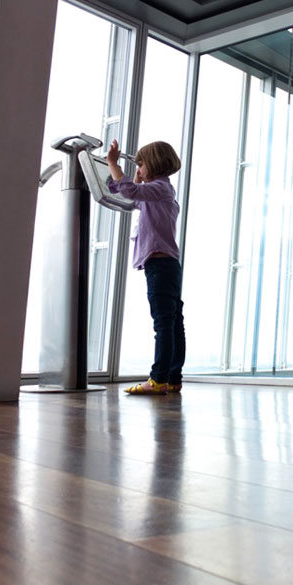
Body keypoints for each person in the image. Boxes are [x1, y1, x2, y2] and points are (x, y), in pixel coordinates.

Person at [106, 138, 185, 394]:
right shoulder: (161, 192)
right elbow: (125, 193)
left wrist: (112, 163)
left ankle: (158, 380)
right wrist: (128, 179)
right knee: (173, 321)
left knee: (163, 322)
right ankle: (172, 378)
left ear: (154, 164)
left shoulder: (160, 189)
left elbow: (128, 190)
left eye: (140, 165)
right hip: (167, 264)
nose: (137, 170)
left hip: (160, 264)